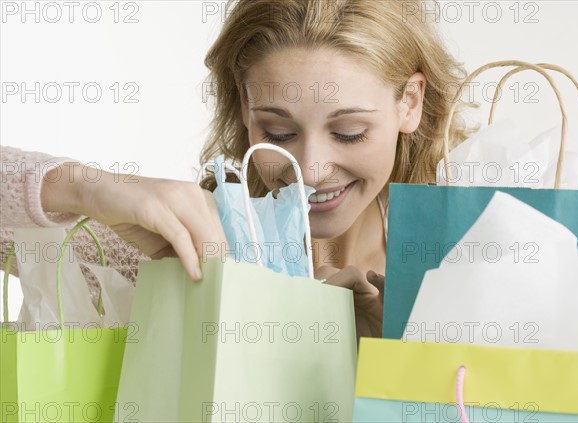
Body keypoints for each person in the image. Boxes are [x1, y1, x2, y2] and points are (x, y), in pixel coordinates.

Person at [1, 0, 471, 338]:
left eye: (348, 131)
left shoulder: (468, 251)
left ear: (409, 102)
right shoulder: (186, 249)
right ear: (245, 106)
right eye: (278, 133)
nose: (308, 169)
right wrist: (82, 187)